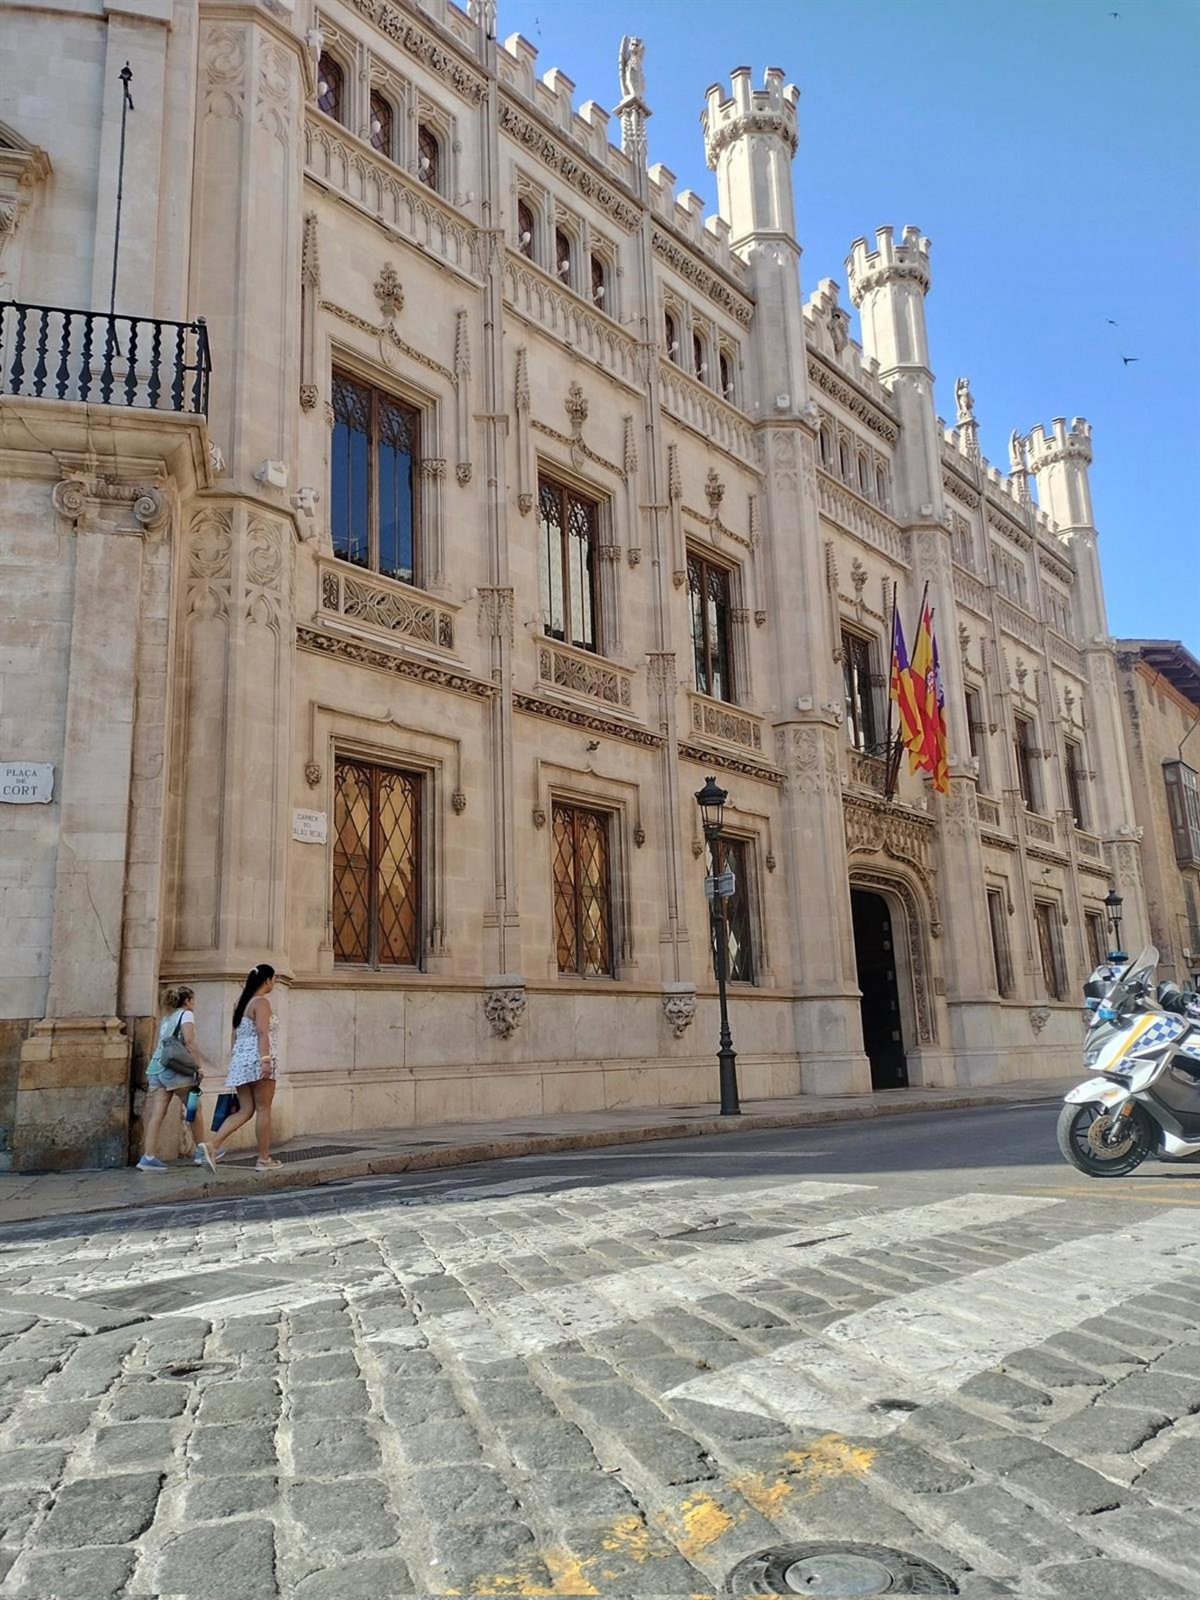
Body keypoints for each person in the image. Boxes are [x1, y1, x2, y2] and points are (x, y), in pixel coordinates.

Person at [197, 963, 282, 1174]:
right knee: (264, 1109)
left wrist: (236, 1061)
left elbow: (234, 1035)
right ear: (267, 980)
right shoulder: (261, 1002)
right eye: (273, 979)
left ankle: (212, 1145)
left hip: (240, 1061)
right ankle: (263, 1159)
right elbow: (262, 1032)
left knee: (245, 1110)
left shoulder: (240, 1002)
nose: (274, 983)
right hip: (258, 1059)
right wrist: (265, 1060)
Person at [138, 986, 211, 1171]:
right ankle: (202, 1153)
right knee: (194, 1107)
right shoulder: (186, 1014)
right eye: (193, 1000)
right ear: (186, 1001)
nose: (194, 1004)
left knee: (158, 1113)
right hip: (175, 1071)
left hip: (157, 1069)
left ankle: (148, 1157)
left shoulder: (167, 1017)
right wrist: (199, 1066)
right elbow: (189, 1041)